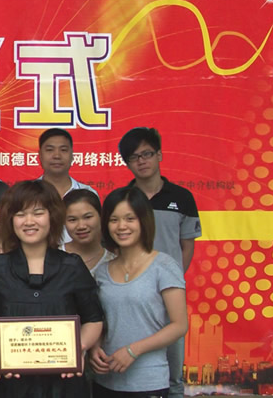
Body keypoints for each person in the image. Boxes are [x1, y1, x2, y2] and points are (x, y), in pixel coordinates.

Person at [0, 180, 103, 398]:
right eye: (20, 214)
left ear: (52, 217)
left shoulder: (72, 266)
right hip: (12, 385)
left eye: (38, 213)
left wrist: (77, 348)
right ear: (11, 220)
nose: (29, 221)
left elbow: (93, 319)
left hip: (65, 384)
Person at [118, 127, 201, 398]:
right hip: (131, 294)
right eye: (134, 157)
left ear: (159, 154)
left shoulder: (182, 197)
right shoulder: (123, 199)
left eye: (147, 154)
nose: (141, 161)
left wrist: (171, 281)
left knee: (174, 370)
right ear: (127, 163)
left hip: (168, 295)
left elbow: (186, 245)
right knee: (131, 357)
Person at [90, 187, 188, 398]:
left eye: (130, 218)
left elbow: (179, 325)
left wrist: (133, 350)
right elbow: (102, 321)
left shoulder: (164, 266)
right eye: (114, 220)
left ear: (144, 221)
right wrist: (95, 347)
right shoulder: (102, 271)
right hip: (105, 380)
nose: (121, 226)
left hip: (148, 382)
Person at [62, 189, 115, 278]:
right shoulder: (52, 258)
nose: (81, 226)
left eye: (87, 217)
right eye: (72, 220)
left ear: (101, 216)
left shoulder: (113, 261)